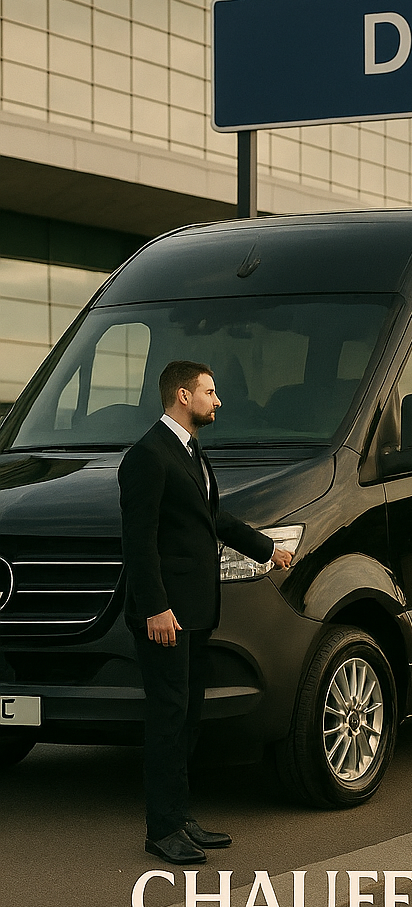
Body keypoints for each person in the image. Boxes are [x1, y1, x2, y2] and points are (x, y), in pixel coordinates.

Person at [118, 360, 294, 863]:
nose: (218, 401)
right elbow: (140, 542)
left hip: (195, 614)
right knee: (168, 719)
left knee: (189, 717)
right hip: (165, 617)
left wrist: (265, 548)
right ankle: (162, 830)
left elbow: (212, 517)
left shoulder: (190, 450)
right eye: (210, 392)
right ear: (182, 395)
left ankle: (181, 818)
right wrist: (155, 608)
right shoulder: (148, 457)